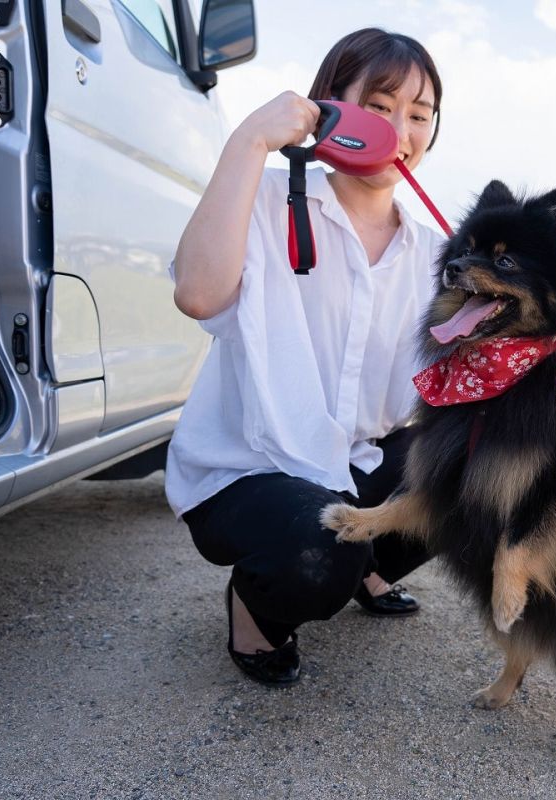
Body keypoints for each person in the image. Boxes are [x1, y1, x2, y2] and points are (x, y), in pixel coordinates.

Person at [166, 28, 445, 685]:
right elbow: (198, 294)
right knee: (322, 551)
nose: (399, 130)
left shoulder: (435, 253)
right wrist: (250, 140)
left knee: (478, 471)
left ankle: (370, 567)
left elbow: (453, 386)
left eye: (419, 115)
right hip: (248, 471)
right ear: (329, 108)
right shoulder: (264, 198)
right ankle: (255, 610)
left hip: (353, 461)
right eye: (378, 107)